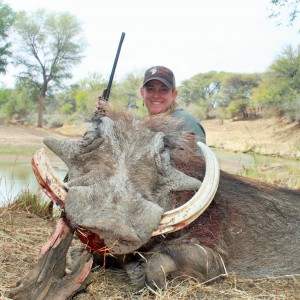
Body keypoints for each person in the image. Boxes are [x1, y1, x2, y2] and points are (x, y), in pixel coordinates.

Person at [96, 65, 206, 146]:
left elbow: (199, 169)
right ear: (142, 93)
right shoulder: (144, 123)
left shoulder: (186, 121)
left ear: (174, 95)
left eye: (164, 90)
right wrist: (108, 117)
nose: (156, 95)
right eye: (150, 89)